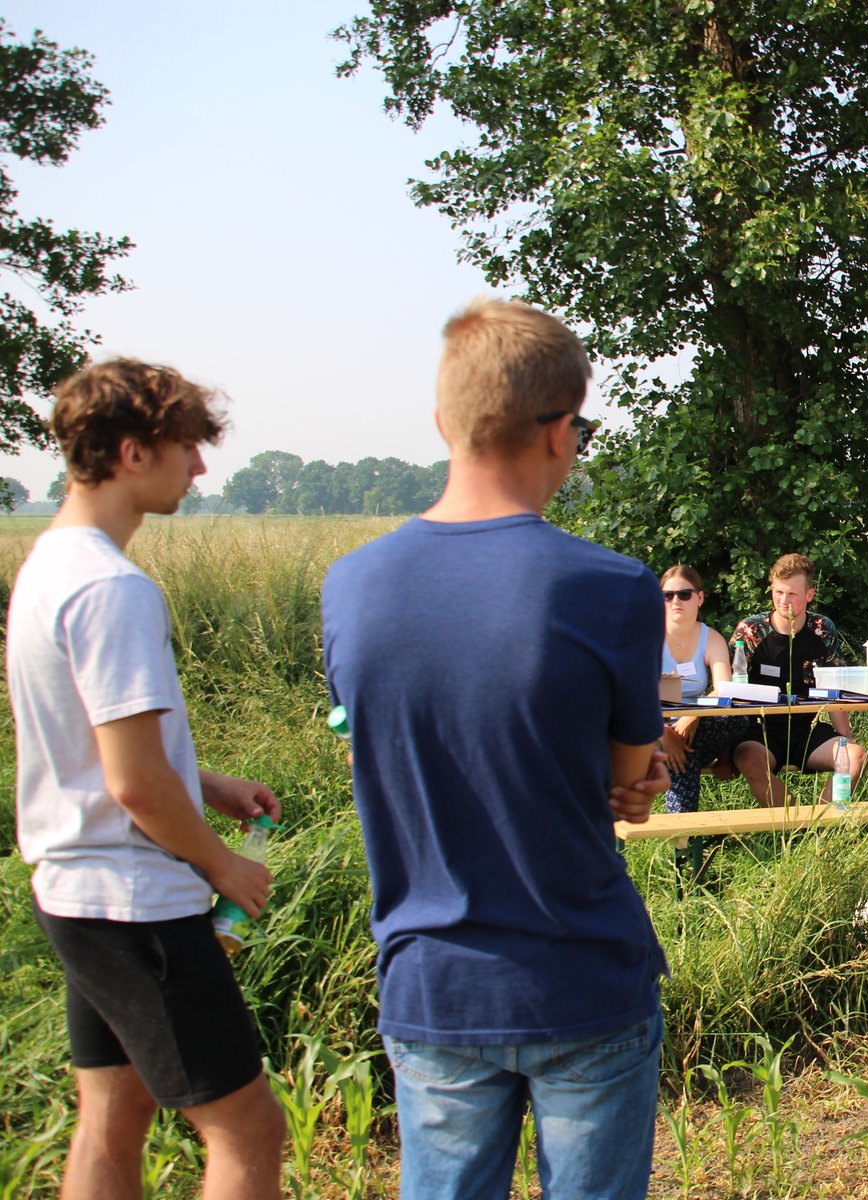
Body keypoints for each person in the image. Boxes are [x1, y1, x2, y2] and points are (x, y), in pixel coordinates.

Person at [321, 299, 669, 1199]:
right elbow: (629, 781)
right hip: (582, 973)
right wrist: (628, 780)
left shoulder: (350, 587)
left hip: (434, 985)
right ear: (561, 433)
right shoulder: (613, 588)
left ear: (444, 421)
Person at [7, 359, 285, 1197]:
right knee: (247, 1128)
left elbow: (96, 748)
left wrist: (206, 781)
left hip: (74, 890)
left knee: (113, 1110)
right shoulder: (111, 588)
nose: (201, 469)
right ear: (132, 452)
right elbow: (131, 783)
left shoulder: (48, 567)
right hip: (137, 905)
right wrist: (221, 864)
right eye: (188, 448)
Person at [729, 553, 868, 806]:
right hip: (759, 730)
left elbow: (834, 684)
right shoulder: (751, 631)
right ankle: (793, 827)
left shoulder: (822, 629)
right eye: (778, 592)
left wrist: (845, 736)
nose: (784, 601)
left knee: (855, 756)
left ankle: (822, 825)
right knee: (749, 759)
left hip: (808, 726)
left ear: (810, 594)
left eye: (792, 594)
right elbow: (728, 687)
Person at [659, 563, 754, 813]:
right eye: (667, 596)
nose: (675, 601)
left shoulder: (711, 638)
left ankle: (682, 838)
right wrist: (663, 734)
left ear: (699, 598)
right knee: (686, 749)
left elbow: (725, 687)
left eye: (684, 594)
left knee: (739, 716)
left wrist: (694, 714)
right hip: (651, 726)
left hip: (692, 724)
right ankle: (684, 839)